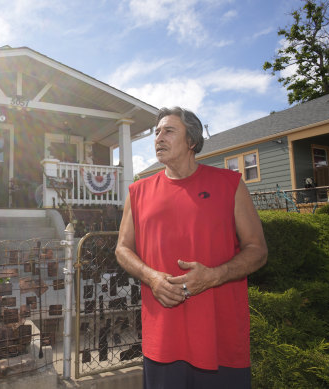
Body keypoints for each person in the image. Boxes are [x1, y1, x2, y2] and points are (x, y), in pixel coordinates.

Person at [115, 107, 268, 388]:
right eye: (157, 131)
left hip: (221, 343)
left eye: (169, 131)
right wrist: (151, 277)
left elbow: (257, 249)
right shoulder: (138, 192)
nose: (158, 137)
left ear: (192, 142)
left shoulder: (230, 184)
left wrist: (215, 275)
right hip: (163, 343)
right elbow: (122, 249)